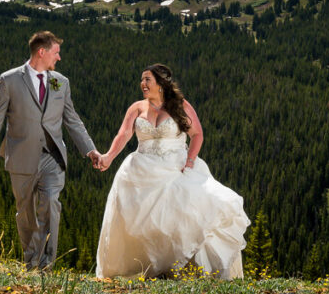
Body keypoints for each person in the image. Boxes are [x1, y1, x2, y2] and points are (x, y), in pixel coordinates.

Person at [94, 64, 249, 279]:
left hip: (176, 166)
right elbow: (123, 134)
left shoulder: (180, 105)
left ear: (160, 83)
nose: (143, 84)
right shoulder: (137, 108)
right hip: (141, 169)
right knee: (140, 223)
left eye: (147, 79)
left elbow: (197, 134)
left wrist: (190, 161)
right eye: (142, 80)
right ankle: (144, 267)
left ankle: (186, 269)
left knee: (189, 214)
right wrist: (109, 157)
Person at [0, 31, 101, 270]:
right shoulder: (10, 80)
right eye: (56, 52)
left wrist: (90, 150)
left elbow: (72, 119)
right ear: (41, 52)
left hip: (52, 157)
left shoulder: (60, 82)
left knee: (51, 204)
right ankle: (31, 262)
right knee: (25, 212)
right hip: (21, 156)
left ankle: (46, 266)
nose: (59, 57)